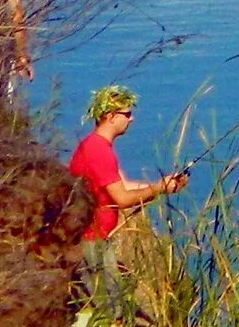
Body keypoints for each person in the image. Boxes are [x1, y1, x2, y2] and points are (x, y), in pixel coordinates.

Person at [69, 86, 187, 284]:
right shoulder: (98, 151)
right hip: (92, 240)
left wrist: (163, 185)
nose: (131, 119)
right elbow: (122, 199)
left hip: (96, 238)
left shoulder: (96, 146)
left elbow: (123, 186)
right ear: (111, 116)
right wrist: (158, 189)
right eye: (127, 114)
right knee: (110, 308)